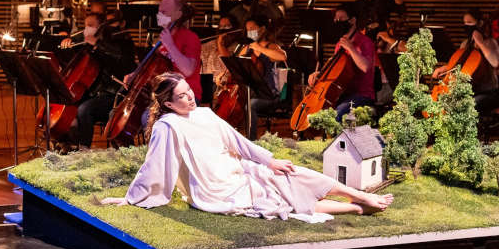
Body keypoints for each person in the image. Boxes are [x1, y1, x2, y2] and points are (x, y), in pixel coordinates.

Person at [101, 73, 393, 219]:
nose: (190, 98)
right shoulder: (168, 126)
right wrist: (131, 198)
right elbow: (153, 165)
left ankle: (358, 197)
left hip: (238, 170)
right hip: (217, 188)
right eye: (181, 97)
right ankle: (356, 208)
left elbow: (237, 141)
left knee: (291, 175)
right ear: (167, 104)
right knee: (286, 201)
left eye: (189, 92)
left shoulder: (203, 113)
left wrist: (269, 161)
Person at [58, 12, 136, 149]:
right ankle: (69, 145)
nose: (87, 29)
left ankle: (84, 149)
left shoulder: (123, 43)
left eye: (91, 25)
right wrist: (67, 44)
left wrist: (98, 44)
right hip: (94, 93)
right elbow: (75, 63)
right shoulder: (92, 43)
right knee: (67, 107)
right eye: (86, 25)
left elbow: (121, 58)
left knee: (84, 109)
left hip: (114, 94)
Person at [124, 0, 202, 103]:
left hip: (186, 95)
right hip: (165, 95)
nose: (159, 15)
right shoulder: (162, 40)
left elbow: (188, 70)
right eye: (159, 12)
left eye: (164, 12)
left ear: (178, 15)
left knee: (146, 116)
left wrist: (170, 45)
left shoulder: (190, 37)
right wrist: (135, 74)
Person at [308, 5, 375, 121]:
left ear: (352, 20)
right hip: (343, 94)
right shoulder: (339, 44)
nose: (337, 22)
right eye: (336, 19)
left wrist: (351, 48)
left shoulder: (365, 42)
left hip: (362, 95)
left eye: (341, 19)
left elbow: (365, 67)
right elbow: (337, 71)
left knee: (338, 115)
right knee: (317, 111)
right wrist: (319, 75)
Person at [432, 8, 499, 115]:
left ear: (480, 23)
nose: (466, 26)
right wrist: (443, 68)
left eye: (470, 22)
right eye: (465, 23)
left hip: (487, 92)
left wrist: (480, 43)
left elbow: (496, 62)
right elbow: (460, 66)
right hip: (468, 92)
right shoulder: (465, 44)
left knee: (462, 107)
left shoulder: (489, 43)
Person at [238, 15, 287, 139]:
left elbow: (282, 57)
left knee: (251, 105)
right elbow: (237, 65)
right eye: (248, 29)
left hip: (270, 94)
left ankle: (251, 140)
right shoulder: (246, 48)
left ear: (262, 29)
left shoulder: (270, 46)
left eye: (253, 28)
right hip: (251, 92)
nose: (250, 32)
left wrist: (259, 48)